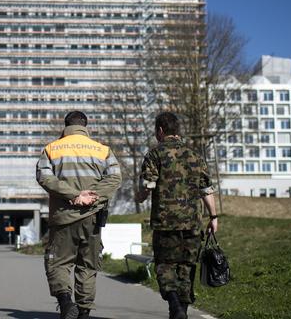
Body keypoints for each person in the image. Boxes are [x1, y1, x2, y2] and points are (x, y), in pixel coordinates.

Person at [36, 111, 122, 319]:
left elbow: (44, 177)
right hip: (92, 218)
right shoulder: (102, 150)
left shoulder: (52, 149)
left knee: (58, 262)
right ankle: (84, 313)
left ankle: (66, 303)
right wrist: (93, 197)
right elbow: (115, 178)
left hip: (63, 218)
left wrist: (75, 195)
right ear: (86, 126)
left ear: (65, 126)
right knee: (88, 265)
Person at [136, 112, 217, 319]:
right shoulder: (195, 156)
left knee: (165, 266)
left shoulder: (155, 154)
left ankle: (174, 305)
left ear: (160, 131)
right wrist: (213, 218)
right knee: (186, 268)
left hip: (165, 224)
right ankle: (182, 311)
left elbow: (149, 184)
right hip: (192, 224)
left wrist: (140, 196)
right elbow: (207, 190)